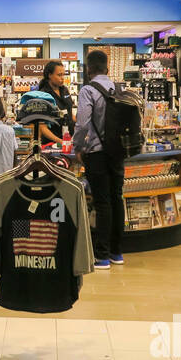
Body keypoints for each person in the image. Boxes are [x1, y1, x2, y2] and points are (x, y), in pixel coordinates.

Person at [72, 49, 124, 268]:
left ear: (89, 68)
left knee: (102, 202)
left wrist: (78, 146)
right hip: (118, 151)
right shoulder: (119, 88)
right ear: (107, 67)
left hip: (96, 152)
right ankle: (117, 253)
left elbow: (82, 122)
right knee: (116, 198)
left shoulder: (87, 90)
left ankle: (101, 256)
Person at [36, 59, 74, 146]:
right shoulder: (43, 94)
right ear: (50, 75)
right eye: (59, 75)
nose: (62, 78)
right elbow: (42, 127)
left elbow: (70, 113)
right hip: (52, 143)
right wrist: (60, 141)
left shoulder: (64, 90)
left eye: (63, 75)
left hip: (69, 140)